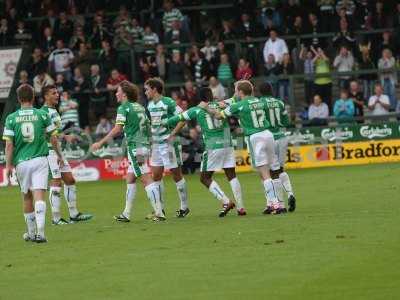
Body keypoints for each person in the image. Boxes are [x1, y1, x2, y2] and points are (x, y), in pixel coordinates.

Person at [201, 80, 280, 214]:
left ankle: (275, 204)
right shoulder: (259, 101)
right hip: (268, 134)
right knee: (273, 170)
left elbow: (219, 115)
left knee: (264, 172)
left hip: (256, 137)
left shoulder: (239, 105)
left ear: (241, 92)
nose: (235, 93)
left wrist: (206, 107)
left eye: (237, 90)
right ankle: (274, 203)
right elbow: (233, 104)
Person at [91, 81, 165, 222]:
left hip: (135, 146)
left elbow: (117, 128)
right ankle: (126, 213)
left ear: (124, 94)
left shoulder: (124, 108)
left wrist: (100, 142)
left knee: (146, 178)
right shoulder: (139, 107)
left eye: (117, 91)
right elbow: (148, 126)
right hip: (143, 145)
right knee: (130, 178)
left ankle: (159, 212)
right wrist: (150, 142)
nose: (116, 94)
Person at [167, 87, 246, 217]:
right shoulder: (222, 104)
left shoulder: (196, 110)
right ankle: (241, 207)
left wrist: (164, 123)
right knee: (231, 175)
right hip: (227, 144)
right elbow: (234, 98)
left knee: (205, 178)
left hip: (213, 146)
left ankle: (226, 201)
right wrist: (239, 88)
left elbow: (177, 118)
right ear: (211, 95)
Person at [3, 84, 63, 243]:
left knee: (27, 197)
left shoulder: (11, 118)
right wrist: (59, 155)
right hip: (40, 160)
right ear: (33, 97)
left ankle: (30, 233)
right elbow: (53, 138)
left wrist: (8, 166)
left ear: (18, 99)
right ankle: (41, 233)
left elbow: (9, 145)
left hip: (21, 162)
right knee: (39, 195)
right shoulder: (42, 115)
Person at [41, 85, 92, 225]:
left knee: (69, 180)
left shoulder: (54, 111)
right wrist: (65, 137)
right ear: (46, 96)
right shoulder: (44, 112)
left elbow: (54, 132)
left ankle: (74, 214)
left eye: (57, 92)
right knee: (56, 182)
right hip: (50, 151)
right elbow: (47, 134)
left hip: (58, 150)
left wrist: (65, 137)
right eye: (53, 93)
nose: (57, 95)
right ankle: (56, 218)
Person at [145, 78, 190, 218]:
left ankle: (184, 207)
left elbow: (184, 118)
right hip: (156, 145)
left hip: (168, 145)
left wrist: (173, 133)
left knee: (176, 175)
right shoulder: (150, 105)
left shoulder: (168, 102)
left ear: (154, 89)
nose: (145, 92)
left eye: (147, 89)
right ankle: (160, 209)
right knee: (156, 176)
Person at [258, 82, 296, 213]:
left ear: (260, 92)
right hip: (282, 136)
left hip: (269, 138)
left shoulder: (259, 104)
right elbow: (287, 121)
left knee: (270, 172)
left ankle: (280, 204)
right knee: (280, 169)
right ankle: (290, 193)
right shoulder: (280, 103)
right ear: (271, 90)